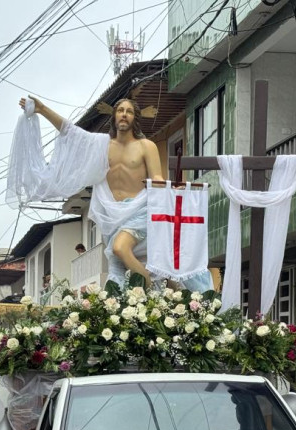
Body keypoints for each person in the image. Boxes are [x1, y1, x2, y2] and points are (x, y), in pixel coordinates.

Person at [14, 96, 213, 293]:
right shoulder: (102, 146)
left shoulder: (146, 146)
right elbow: (70, 132)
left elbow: (157, 179)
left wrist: (171, 193)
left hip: (141, 210)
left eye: (129, 111)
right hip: (111, 216)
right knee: (116, 276)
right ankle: (127, 305)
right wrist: (42, 109)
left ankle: (152, 289)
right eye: (120, 110)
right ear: (114, 116)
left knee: (120, 247)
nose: (124, 115)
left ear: (135, 118)